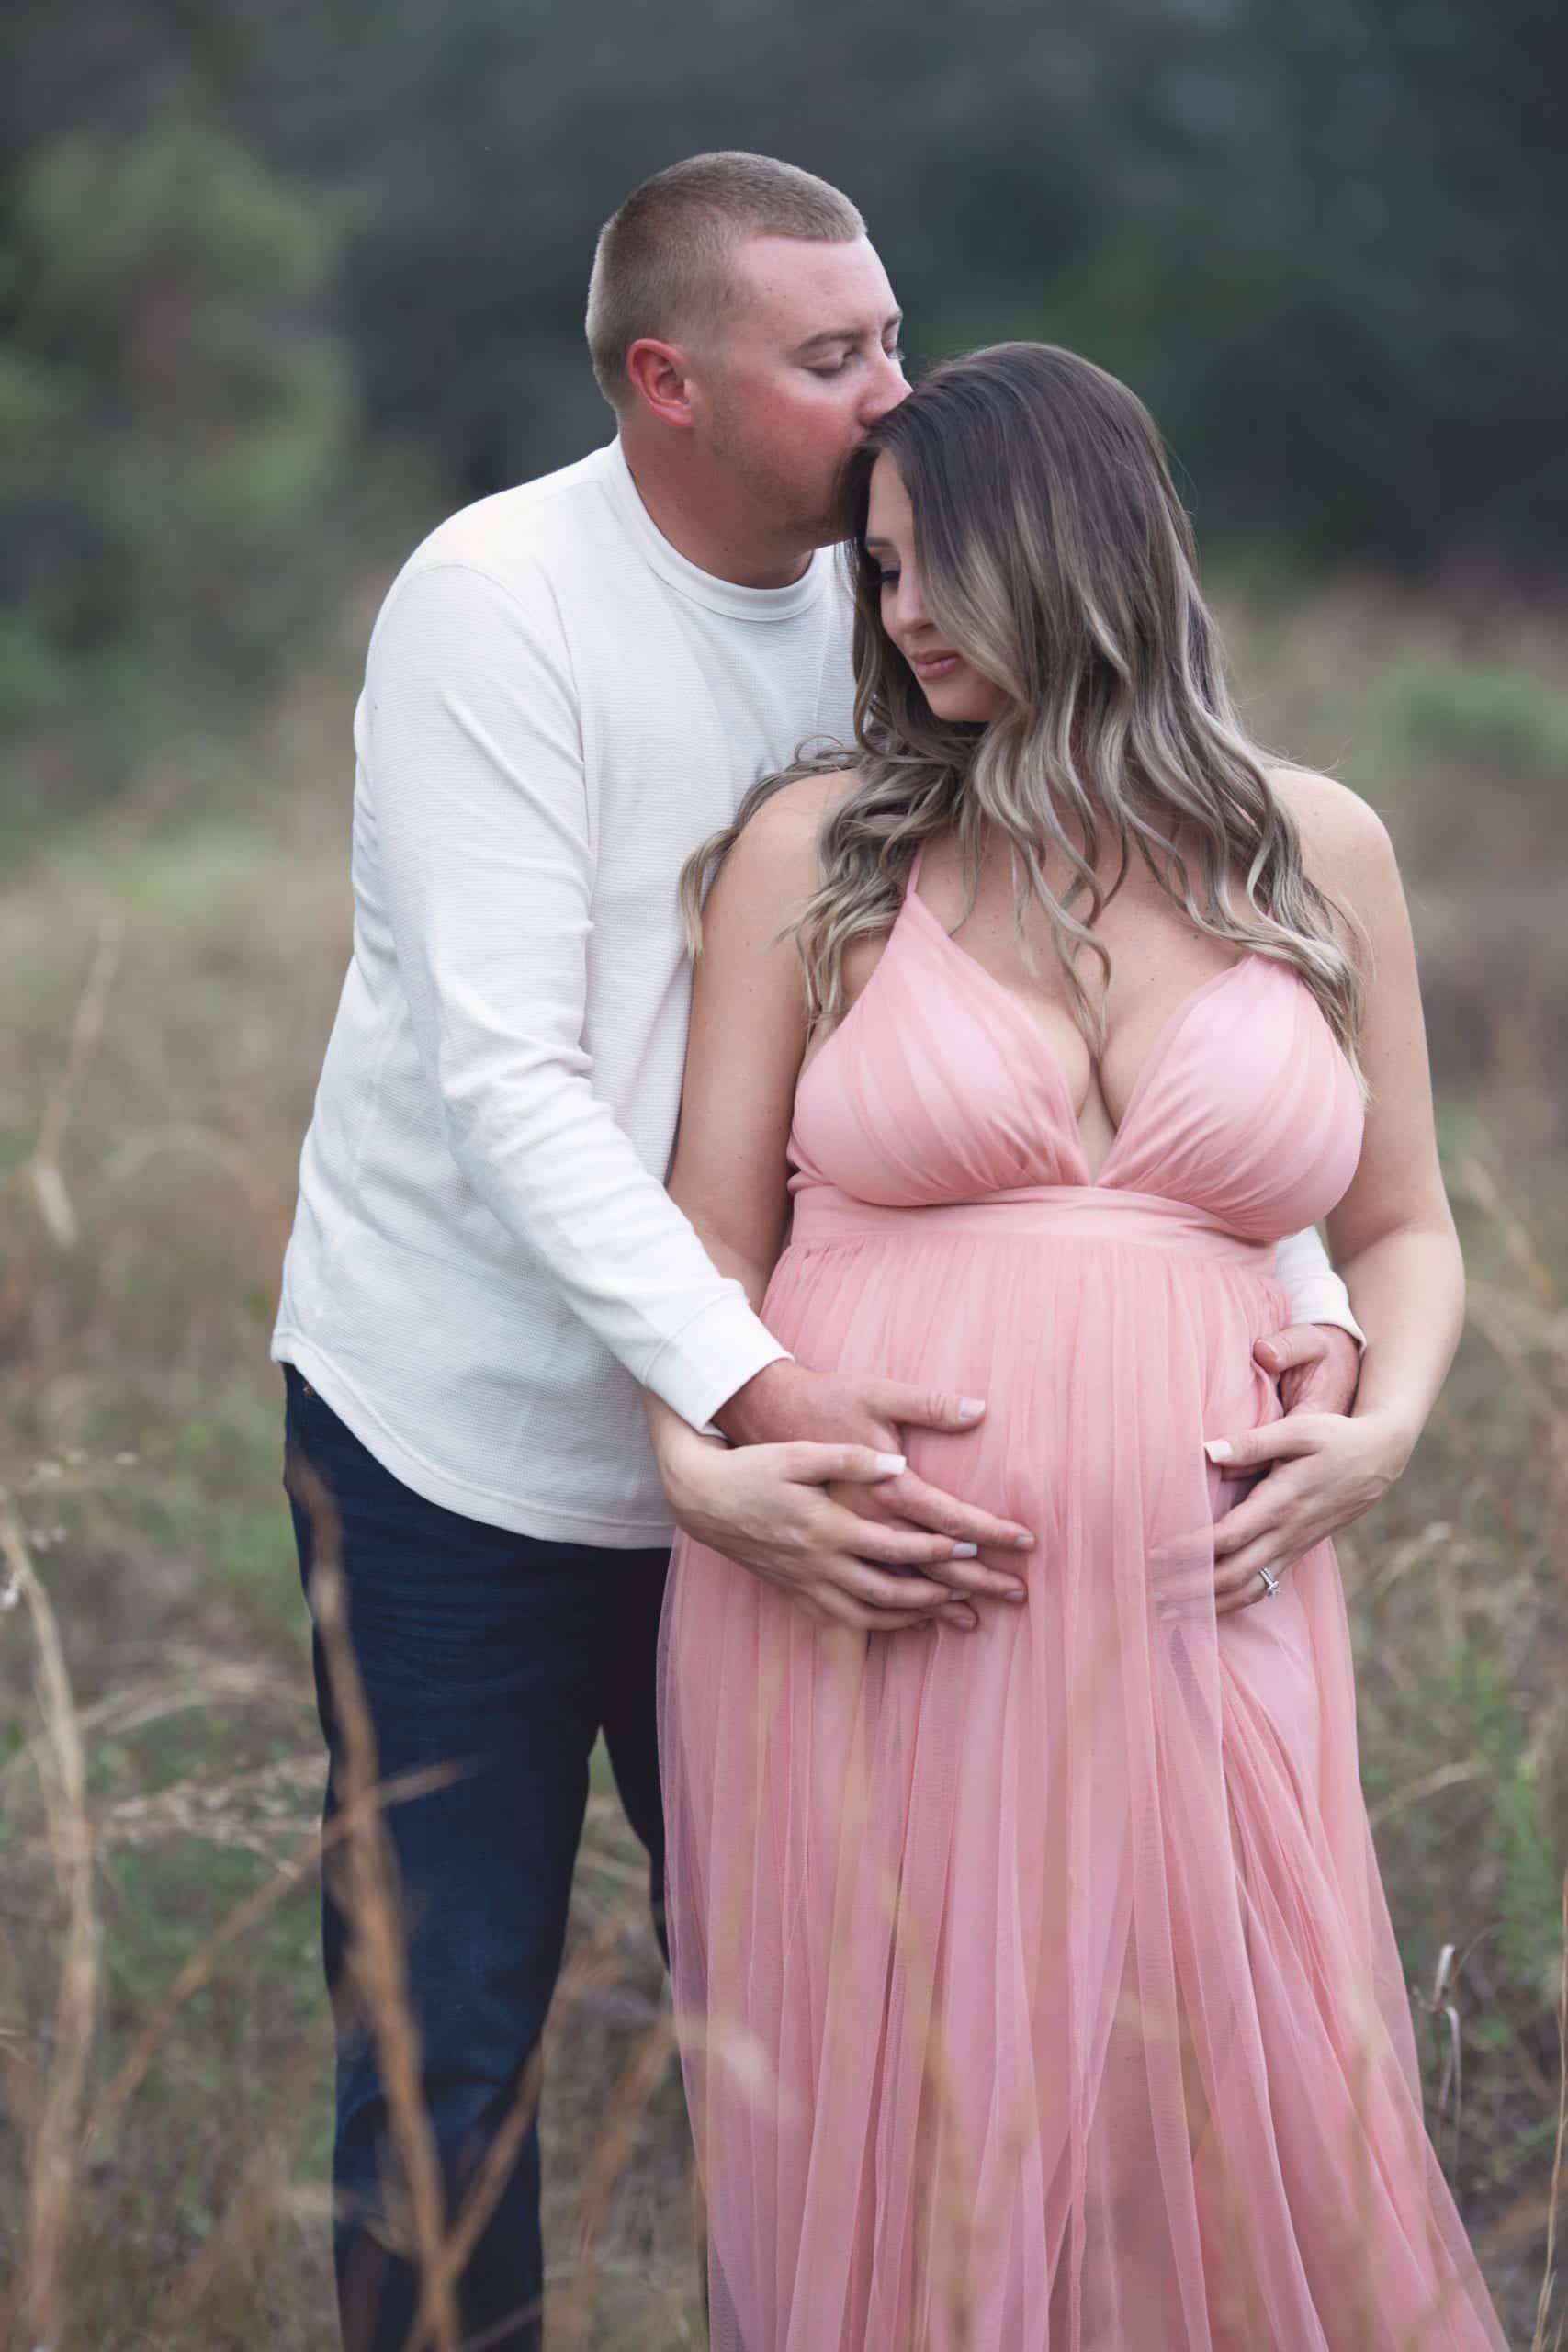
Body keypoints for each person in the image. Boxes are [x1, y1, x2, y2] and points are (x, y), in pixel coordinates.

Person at [274, 155, 1360, 2349]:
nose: (898, 386)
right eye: (834, 353)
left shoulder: (905, 586)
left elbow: (1120, 982)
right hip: (474, 1441)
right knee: (450, 2038)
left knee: (838, 2010)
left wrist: (1303, 1299)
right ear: (666, 381)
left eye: (892, 330)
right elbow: (509, 1078)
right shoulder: (497, 602)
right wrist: (742, 1403)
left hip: (831, 1491)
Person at [653, 343, 1506, 2349]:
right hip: (872, 1597)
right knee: (924, 2139)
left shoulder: (1315, 848)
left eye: (930, 563)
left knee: (1224, 2115)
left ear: (1082, 542)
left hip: (1210, 1595)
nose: (898, 613)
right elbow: (698, 1238)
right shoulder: (823, 848)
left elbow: (1400, 1229)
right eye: (872, 575)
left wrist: (1381, 1426)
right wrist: (699, 1459)